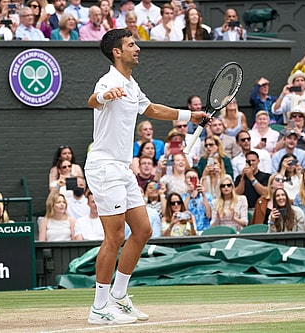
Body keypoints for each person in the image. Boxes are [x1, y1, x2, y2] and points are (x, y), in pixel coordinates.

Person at [84, 29, 207, 325]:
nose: (137, 48)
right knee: (114, 237)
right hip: (104, 168)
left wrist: (190, 116)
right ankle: (99, 307)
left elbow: (151, 109)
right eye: (131, 44)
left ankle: (119, 297)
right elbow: (93, 100)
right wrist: (104, 95)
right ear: (117, 51)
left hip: (123, 169)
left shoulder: (131, 84)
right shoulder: (109, 81)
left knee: (142, 231)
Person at [181, 169, 212, 234]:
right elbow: (183, 214)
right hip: (188, 231)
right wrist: (189, 194)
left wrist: (203, 195)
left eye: (194, 177)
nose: (191, 179)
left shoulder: (207, 196)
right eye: (189, 177)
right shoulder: (182, 197)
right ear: (184, 181)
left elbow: (209, 215)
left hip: (204, 230)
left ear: (198, 180)